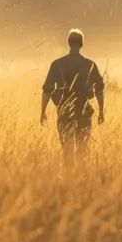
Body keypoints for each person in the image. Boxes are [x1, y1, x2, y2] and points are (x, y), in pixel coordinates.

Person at [40, 29, 105, 163]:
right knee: (83, 148)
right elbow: (99, 90)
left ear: (68, 43)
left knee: (67, 150)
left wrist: (43, 112)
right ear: (82, 44)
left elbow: (47, 90)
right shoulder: (90, 65)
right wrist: (101, 112)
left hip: (64, 112)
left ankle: (68, 178)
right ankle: (82, 178)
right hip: (84, 111)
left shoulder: (57, 64)